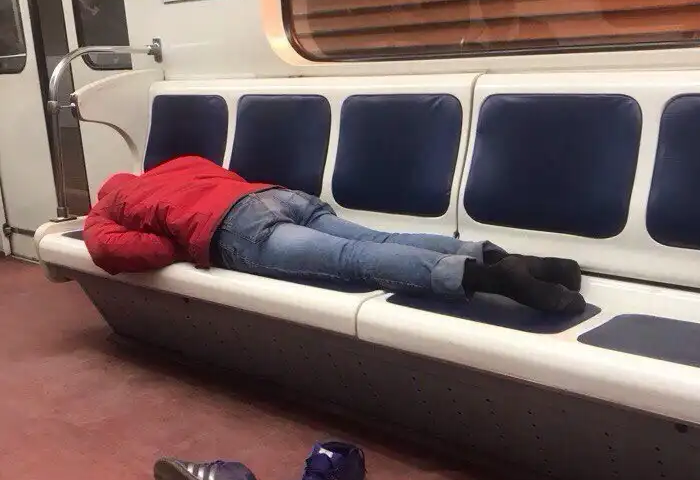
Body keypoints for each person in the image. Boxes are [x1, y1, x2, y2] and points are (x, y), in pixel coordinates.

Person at [83, 155, 586, 314]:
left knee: (352, 260)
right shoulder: (173, 166)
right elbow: (224, 174)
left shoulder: (104, 212)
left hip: (236, 230)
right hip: (277, 196)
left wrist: (178, 241)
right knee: (377, 239)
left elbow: (129, 251)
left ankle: (489, 279)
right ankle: (504, 257)